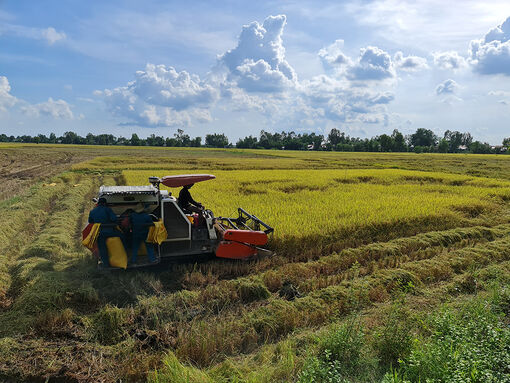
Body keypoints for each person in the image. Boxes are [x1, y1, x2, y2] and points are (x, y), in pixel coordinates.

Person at [88, 197, 123, 267]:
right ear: (105, 203)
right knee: (122, 236)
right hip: (110, 231)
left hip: (99, 233)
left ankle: (106, 264)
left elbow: (90, 222)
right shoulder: (107, 209)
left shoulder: (92, 211)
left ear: (98, 203)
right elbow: (114, 219)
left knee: (102, 248)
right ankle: (125, 253)